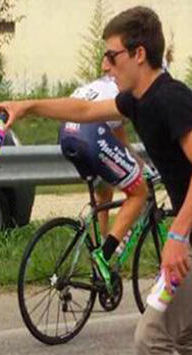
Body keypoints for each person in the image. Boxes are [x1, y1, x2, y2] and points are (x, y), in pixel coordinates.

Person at [0, 6, 192, 355]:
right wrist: (27, 106)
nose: (105, 64)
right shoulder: (137, 100)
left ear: (139, 53)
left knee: (151, 335)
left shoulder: (172, 101)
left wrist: (178, 237)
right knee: (181, 334)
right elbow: (83, 112)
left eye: (112, 54)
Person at [59, 75, 148, 281]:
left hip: (67, 134)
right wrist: (143, 166)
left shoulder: (101, 84)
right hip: (90, 134)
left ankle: (102, 243)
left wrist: (137, 162)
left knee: (105, 189)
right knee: (139, 191)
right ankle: (104, 254)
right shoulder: (127, 88)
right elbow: (122, 142)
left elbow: (119, 141)